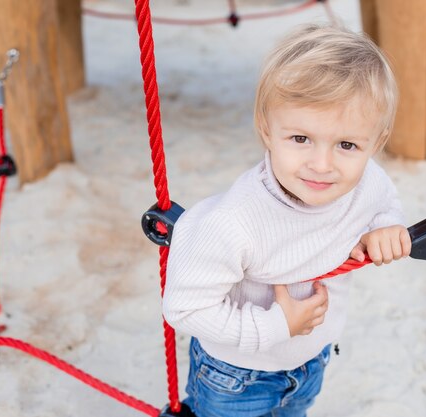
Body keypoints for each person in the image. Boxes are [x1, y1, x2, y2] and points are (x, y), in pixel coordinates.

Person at [163, 23, 412, 417]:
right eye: (300, 139)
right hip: (237, 375)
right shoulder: (233, 222)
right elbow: (184, 309)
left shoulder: (368, 182)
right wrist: (276, 326)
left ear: (376, 143)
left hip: (311, 361)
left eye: (346, 145)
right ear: (266, 129)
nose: (321, 164)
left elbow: (384, 202)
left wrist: (386, 226)